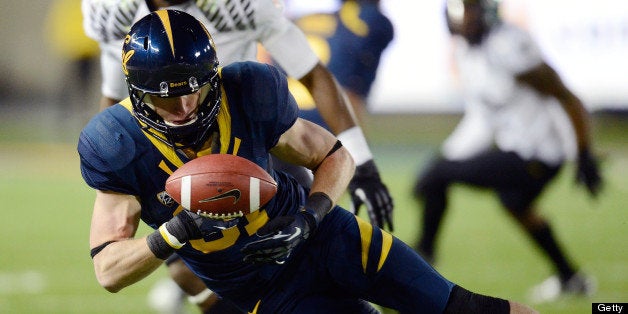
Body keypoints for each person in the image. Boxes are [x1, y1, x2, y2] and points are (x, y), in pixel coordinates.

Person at [80, 10, 538, 314]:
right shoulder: (116, 143)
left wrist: (310, 216)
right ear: (137, 93)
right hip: (268, 292)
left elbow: (333, 155)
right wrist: (172, 234)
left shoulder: (248, 90)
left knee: (466, 309)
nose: (183, 108)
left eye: (193, 89)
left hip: (327, 239)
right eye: (167, 97)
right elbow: (108, 271)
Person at [82, 0, 393, 310]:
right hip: (166, 150)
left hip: (251, 142)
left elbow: (312, 72)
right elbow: (114, 88)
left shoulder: (244, 5)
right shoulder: (109, 8)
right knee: (184, 272)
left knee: (310, 243)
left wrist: (362, 163)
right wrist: (112, 166)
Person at [413, 0, 603, 304]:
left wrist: (583, 151)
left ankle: (421, 260)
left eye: (469, 11)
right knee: (514, 203)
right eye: (458, 12)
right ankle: (571, 277)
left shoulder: (509, 44)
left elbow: (566, 97)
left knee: (439, 177)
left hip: (539, 154)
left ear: (486, 11)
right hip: (516, 150)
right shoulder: (467, 51)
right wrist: (446, 157)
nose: (463, 20)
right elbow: (482, 117)